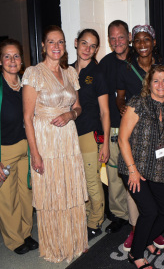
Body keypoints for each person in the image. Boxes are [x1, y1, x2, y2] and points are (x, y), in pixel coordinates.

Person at [22, 25, 88, 263]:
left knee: (69, 189)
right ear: (43, 46)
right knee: (52, 193)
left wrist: (71, 115)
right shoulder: (33, 73)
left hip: (68, 139)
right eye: (51, 42)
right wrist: (35, 154)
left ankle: (74, 240)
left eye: (60, 42)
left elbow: (78, 107)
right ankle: (56, 245)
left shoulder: (70, 72)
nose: (56, 46)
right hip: (45, 139)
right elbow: (27, 118)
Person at [118, 64, 164, 269]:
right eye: (156, 80)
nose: (160, 84)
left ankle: (143, 240)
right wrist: (133, 171)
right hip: (135, 167)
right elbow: (122, 139)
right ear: (149, 84)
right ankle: (135, 255)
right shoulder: (138, 103)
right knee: (150, 211)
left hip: (160, 168)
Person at [117, 24, 164, 251]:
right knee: (135, 185)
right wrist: (125, 111)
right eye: (137, 40)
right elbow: (120, 97)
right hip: (135, 136)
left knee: (156, 185)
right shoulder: (126, 68)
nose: (142, 44)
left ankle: (151, 229)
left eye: (147, 40)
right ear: (132, 44)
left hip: (157, 136)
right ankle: (136, 229)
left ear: (154, 42)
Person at [71, 28, 110, 241]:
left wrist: (105, 144)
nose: (87, 49)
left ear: (96, 50)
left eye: (93, 45)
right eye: (84, 43)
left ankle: (96, 221)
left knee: (92, 181)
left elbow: (105, 111)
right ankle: (86, 216)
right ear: (76, 43)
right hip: (69, 134)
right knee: (79, 181)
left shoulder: (97, 73)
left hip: (90, 132)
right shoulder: (66, 71)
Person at [0, 39, 38, 255]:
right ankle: (15, 240)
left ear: (22, 61)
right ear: (0, 60)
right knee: (7, 198)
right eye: (7, 56)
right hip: (4, 150)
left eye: (16, 56)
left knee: (25, 193)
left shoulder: (26, 83)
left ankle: (25, 233)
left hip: (25, 148)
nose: (12, 60)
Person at [99, 20, 131, 234]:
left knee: (134, 172)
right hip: (113, 128)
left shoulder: (141, 58)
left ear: (128, 37)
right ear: (109, 41)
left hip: (136, 128)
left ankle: (139, 214)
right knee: (114, 174)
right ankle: (119, 215)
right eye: (113, 38)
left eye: (121, 37)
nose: (117, 41)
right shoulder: (105, 63)